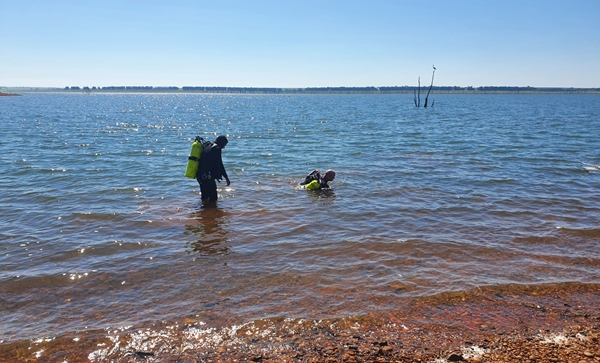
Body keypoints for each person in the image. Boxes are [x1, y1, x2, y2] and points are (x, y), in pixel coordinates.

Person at [196, 135, 230, 203]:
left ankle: (204, 212)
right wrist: (226, 178)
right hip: (207, 177)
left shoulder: (208, 145)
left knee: (204, 197)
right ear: (221, 143)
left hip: (200, 175)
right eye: (224, 145)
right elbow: (219, 164)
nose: (224, 147)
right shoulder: (217, 149)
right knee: (213, 198)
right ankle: (212, 212)